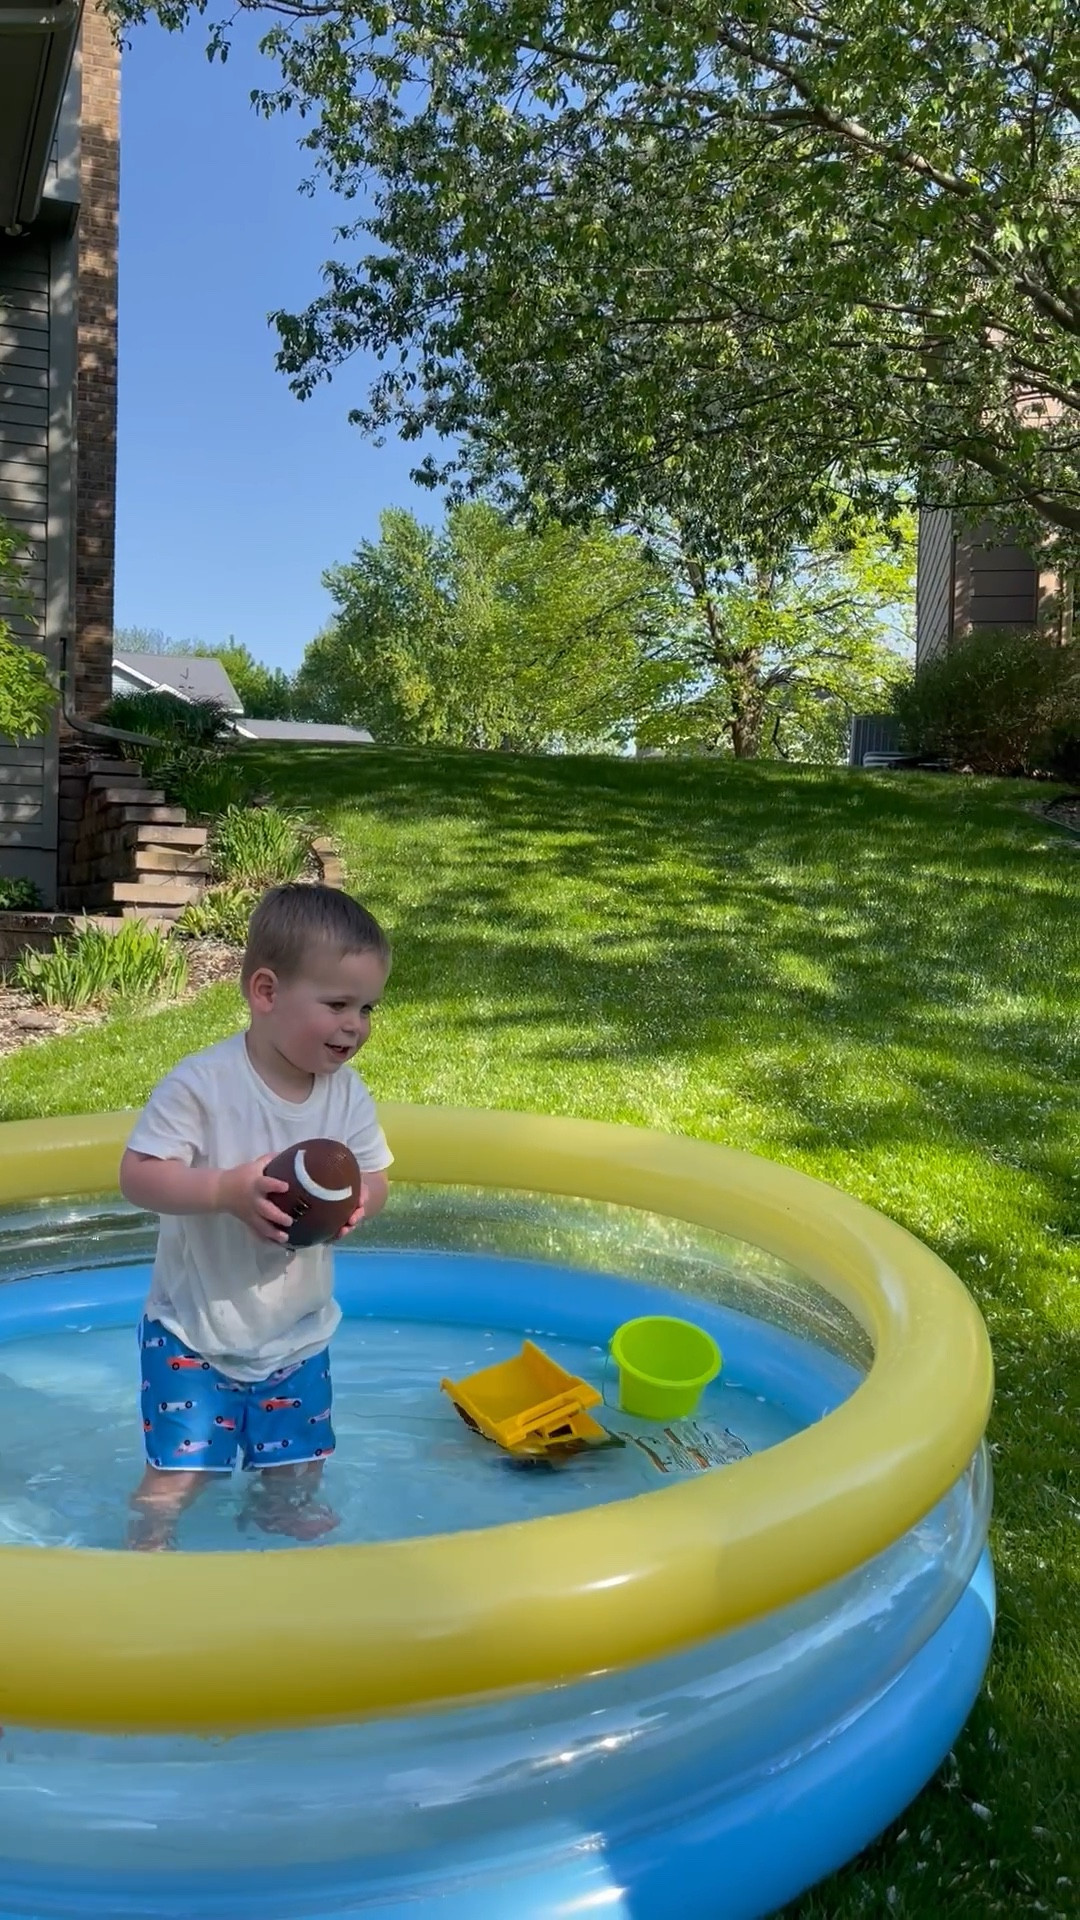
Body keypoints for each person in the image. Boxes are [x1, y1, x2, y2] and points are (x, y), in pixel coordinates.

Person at [119, 883, 393, 1549]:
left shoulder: (346, 1094)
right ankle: (143, 1553)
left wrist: (362, 1202)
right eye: (337, 1004)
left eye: (366, 1008)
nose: (355, 1025)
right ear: (266, 992)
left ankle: (280, 1526)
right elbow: (138, 1175)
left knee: (299, 1470)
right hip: (193, 1333)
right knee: (179, 1477)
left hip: (296, 1333)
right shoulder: (203, 1085)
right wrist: (224, 1191)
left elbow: (376, 1174)